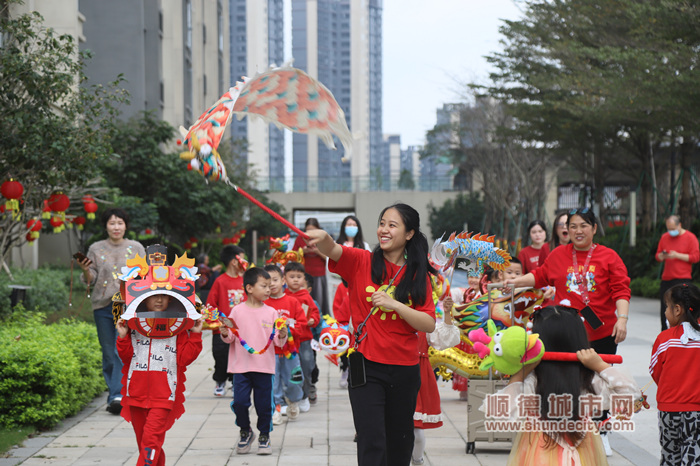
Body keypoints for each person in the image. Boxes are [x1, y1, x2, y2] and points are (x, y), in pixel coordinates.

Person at [305, 203, 437, 466]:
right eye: (382, 223)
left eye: (392, 225)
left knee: (400, 443)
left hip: (405, 369)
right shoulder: (361, 260)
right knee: (371, 440)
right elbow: (333, 249)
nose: (383, 230)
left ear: (409, 234)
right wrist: (324, 238)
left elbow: (428, 323)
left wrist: (396, 305)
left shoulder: (417, 273)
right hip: (366, 367)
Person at [504, 207, 631, 455]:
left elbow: (621, 290)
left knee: (599, 382)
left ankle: (601, 430)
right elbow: (541, 276)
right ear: (566, 230)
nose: (577, 231)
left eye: (583, 225)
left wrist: (622, 319)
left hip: (601, 333)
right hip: (566, 334)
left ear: (594, 228)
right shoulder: (558, 255)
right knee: (565, 379)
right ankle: (558, 428)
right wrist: (516, 282)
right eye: (572, 226)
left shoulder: (609, 256)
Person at [488, 306, 639, 465]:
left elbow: (631, 396)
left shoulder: (582, 377)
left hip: (539, 451)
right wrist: (600, 366)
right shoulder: (588, 378)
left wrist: (599, 365)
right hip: (584, 451)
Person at [116, 294, 203, 466]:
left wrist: (195, 335)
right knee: (147, 445)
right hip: (136, 394)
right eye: (153, 296)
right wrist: (123, 336)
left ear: (171, 299)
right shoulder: (133, 325)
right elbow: (126, 357)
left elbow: (185, 358)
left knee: (151, 441)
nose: (159, 300)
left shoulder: (177, 328)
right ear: (143, 299)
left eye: (164, 296)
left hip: (164, 395)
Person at [77, 207, 145, 415]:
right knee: (108, 352)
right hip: (103, 306)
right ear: (106, 226)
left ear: (126, 226)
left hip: (128, 306)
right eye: (112, 223)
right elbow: (92, 280)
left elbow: (145, 276)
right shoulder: (96, 248)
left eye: (120, 223)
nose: (116, 227)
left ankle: (117, 395)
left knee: (120, 349)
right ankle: (116, 392)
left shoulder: (136, 248)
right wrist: (85, 269)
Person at [220, 267, 288, 455]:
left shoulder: (272, 313)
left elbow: (278, 342)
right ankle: (245, 430)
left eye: (270, 285)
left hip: (264, 367)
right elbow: (231, 338)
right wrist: (225, 333)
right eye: (264, 286)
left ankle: (264, 435)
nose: (269, 289)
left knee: (264, 405)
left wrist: (283, 334)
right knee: (240, 402)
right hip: (240, 366)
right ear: (249, 288)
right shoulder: (237, 311)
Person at [650, 283, 700, 465]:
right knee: (694, 453)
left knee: (670, 454)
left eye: (666, 308)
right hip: (697, 411)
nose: (664, 313)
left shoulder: (664, 339)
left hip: (669, 410)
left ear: (677, 310)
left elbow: (656, 372)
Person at [412, 294, 460, 465]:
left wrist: (447, 313)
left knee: (416, 433)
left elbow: (444, 339)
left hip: (417, 377)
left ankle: (417, 461)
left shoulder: (423, 320)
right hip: (393, 372)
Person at [263, 264, 306, 423]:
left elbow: (301, 325)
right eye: (267, 281)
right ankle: (277, 408)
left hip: (291, 352)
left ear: (283, 280)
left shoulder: (293, 302)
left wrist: (288, 331)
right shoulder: (262, 304)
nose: (272, 284)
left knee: (294, 381)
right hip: (270, 352)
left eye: (275, 280)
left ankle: (294, 401)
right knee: (272, 383)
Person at [205, 245, 247, 397]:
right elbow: (211, 305)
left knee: (239, 357)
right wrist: (221, 322)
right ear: (234, 261)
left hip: (242, 329)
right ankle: (220, 380)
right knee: (221, 355)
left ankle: (236, 382)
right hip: (222, 329)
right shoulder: (220, 281)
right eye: (242, 258)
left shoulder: (246, 281)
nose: (245, 261)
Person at [284, 261, 321, 410]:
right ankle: (291, 396)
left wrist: (313, 320)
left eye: (299, 276)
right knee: (288, 370)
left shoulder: (306, 296)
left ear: (304, 279)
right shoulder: (282, 296)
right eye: (291, 276)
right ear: (284, 279)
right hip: (287, 340)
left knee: (307, 367)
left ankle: (305, 395)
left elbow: (316, 313)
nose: (295, 279)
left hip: (305, 339)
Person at [655, 215, 700, 331]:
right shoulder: (665, 237)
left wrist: (677, 255)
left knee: (683, 308)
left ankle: (685, 331)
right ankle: (664, 333)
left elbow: (695, 257)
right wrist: (662, 256)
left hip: (682, 278)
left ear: (679, 225)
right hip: (667, 278)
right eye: (669, 229)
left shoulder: (690, 237)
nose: (671, 232)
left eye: (673, 229)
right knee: (665, 308)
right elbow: (658, 255)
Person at [293, 218, 330, 316]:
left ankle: (319, 319)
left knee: (319, 299)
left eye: (313, 230)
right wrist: (303, 251)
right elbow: (292, 255)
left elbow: (329, 258)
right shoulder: (300, 239)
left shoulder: (322, 239)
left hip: (319, 274)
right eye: (308, 230)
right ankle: (305, 319)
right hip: (304, 275)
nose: (310, 233)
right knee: (304, 299)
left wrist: (317, 251)